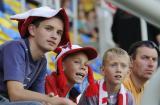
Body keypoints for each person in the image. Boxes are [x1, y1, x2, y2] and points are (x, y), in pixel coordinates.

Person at [0, 6, 76, 105]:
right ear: (32, 30)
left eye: (59, 33)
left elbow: (38, 97)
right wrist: (51, 100)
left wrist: (49, 101)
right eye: (48, 29)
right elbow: (15, 94)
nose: (54, 36)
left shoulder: (42, 61)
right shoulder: (15, 48)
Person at [123, 40, 159, 105]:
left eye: (154, 59)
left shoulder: (148, 87)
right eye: (145, 58)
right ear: (130, 61)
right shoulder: (120, 87)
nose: (151, 64)